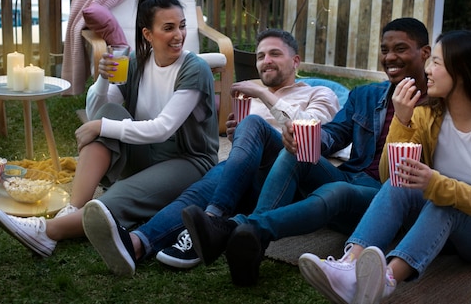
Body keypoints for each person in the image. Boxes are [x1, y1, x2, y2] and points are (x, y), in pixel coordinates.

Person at [182, 18, 432, 286]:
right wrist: (305, 138)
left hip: (386, 197)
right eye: (384, 50)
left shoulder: (435, 103)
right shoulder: (367, 95)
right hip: (350, 177)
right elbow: (334, 134)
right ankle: (252, 245)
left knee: (336, 192)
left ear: (425, 53)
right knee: (296, 152)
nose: (390, 57)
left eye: (401, 48)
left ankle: (238, 228)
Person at [80, 28, 340, 276]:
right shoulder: (250, 99)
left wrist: (263, 96)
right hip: (243, 171)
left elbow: (311, 130)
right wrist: (238, 137)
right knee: (196, 192)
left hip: (287, 176)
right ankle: (137, 243)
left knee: (251, 126)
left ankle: (211, 220)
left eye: (274, 54)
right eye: (261, 56)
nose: (266, 61)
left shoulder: (320, 93)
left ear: (295, 61)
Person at [299, 30, 471, 304]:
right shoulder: (428, 114)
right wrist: (402, 120)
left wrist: (433, 183)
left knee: (443, 202)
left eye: (436, 62)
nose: (427, 69)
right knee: (403, 185)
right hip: (443, 228)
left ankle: (386, 279)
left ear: (463, 70)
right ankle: (349, 265)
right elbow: (390, 177)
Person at [0, 0, 219, 257]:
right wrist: (103, 79)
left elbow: (163, 128)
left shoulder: (194, 69)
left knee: (120, 195)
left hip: (188, 162)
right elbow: (99, 110)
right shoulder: (135, 62)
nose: (178, 35)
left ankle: (48, 232)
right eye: (168, 28)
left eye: (181, 26)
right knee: (110, 111)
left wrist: (102, 126)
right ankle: (74, 208)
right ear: (148, 34)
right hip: (145, 154)